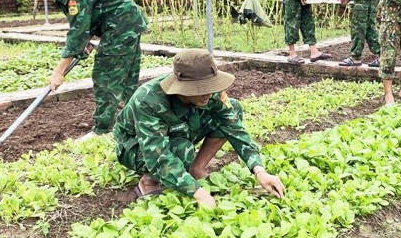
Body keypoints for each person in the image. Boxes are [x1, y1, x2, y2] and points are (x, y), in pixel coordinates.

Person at [113, 49, 285, 209]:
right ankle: (150, 181)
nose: (208, 94)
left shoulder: (210, 93)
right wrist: (198, 192)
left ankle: (196, 168)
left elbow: (234, 128)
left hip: (181, 129)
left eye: (210, 86)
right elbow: (157, 155)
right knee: (181, 148)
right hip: (135, 146)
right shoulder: (148, 100)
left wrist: (259, 171)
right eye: (201, 88)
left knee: (234, 108)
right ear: (182, 87)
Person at [15, 0, 147, 140]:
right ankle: (134, 122)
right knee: (126, 77)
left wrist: (59, 72)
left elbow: (77, 32)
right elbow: (85, 21)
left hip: (121, 25)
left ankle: (103, 130)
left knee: (106, 75)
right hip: (123, 23)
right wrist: (85, 40)